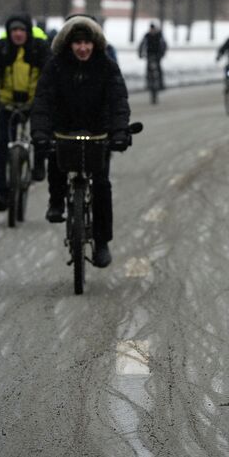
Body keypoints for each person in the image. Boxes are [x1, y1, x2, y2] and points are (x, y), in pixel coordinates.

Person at [30, 15, 132, 268]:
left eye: (87, 43)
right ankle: (56, 201)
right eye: (78, 43)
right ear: (68, 45)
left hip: (98, 132)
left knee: (101, 185)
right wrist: (41, 133)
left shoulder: (107, 67)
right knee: (55, 156)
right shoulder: (55, 67)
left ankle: (102, 242)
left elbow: (118, 101)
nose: (83, 48)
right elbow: (42, 101)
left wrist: (119, 133)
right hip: (64, 128)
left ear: (95, 44)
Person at [0, 13, 51, 212]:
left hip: (33, 102)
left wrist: (46, 98)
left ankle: (38, 165)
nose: (18, 34)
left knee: (40, 134)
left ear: (28, 31)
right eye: (14, 30)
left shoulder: (39, 48)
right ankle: (1, 192)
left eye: (21, 30)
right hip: (8, 103)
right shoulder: (0, 48)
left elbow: (49, 74)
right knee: (2, 144)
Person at [138, 23, 167, 90]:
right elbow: (142, 44)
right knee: (148, 70)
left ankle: (161, 84)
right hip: (149, 55)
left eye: (153, 29)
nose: (152, 30)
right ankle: (148, 84)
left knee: (159, 69)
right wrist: (140, 53)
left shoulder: (159, 35)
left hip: (157, 55)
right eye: (151, 29)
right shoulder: (147, 35)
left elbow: (163, 45)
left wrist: (162, 53)